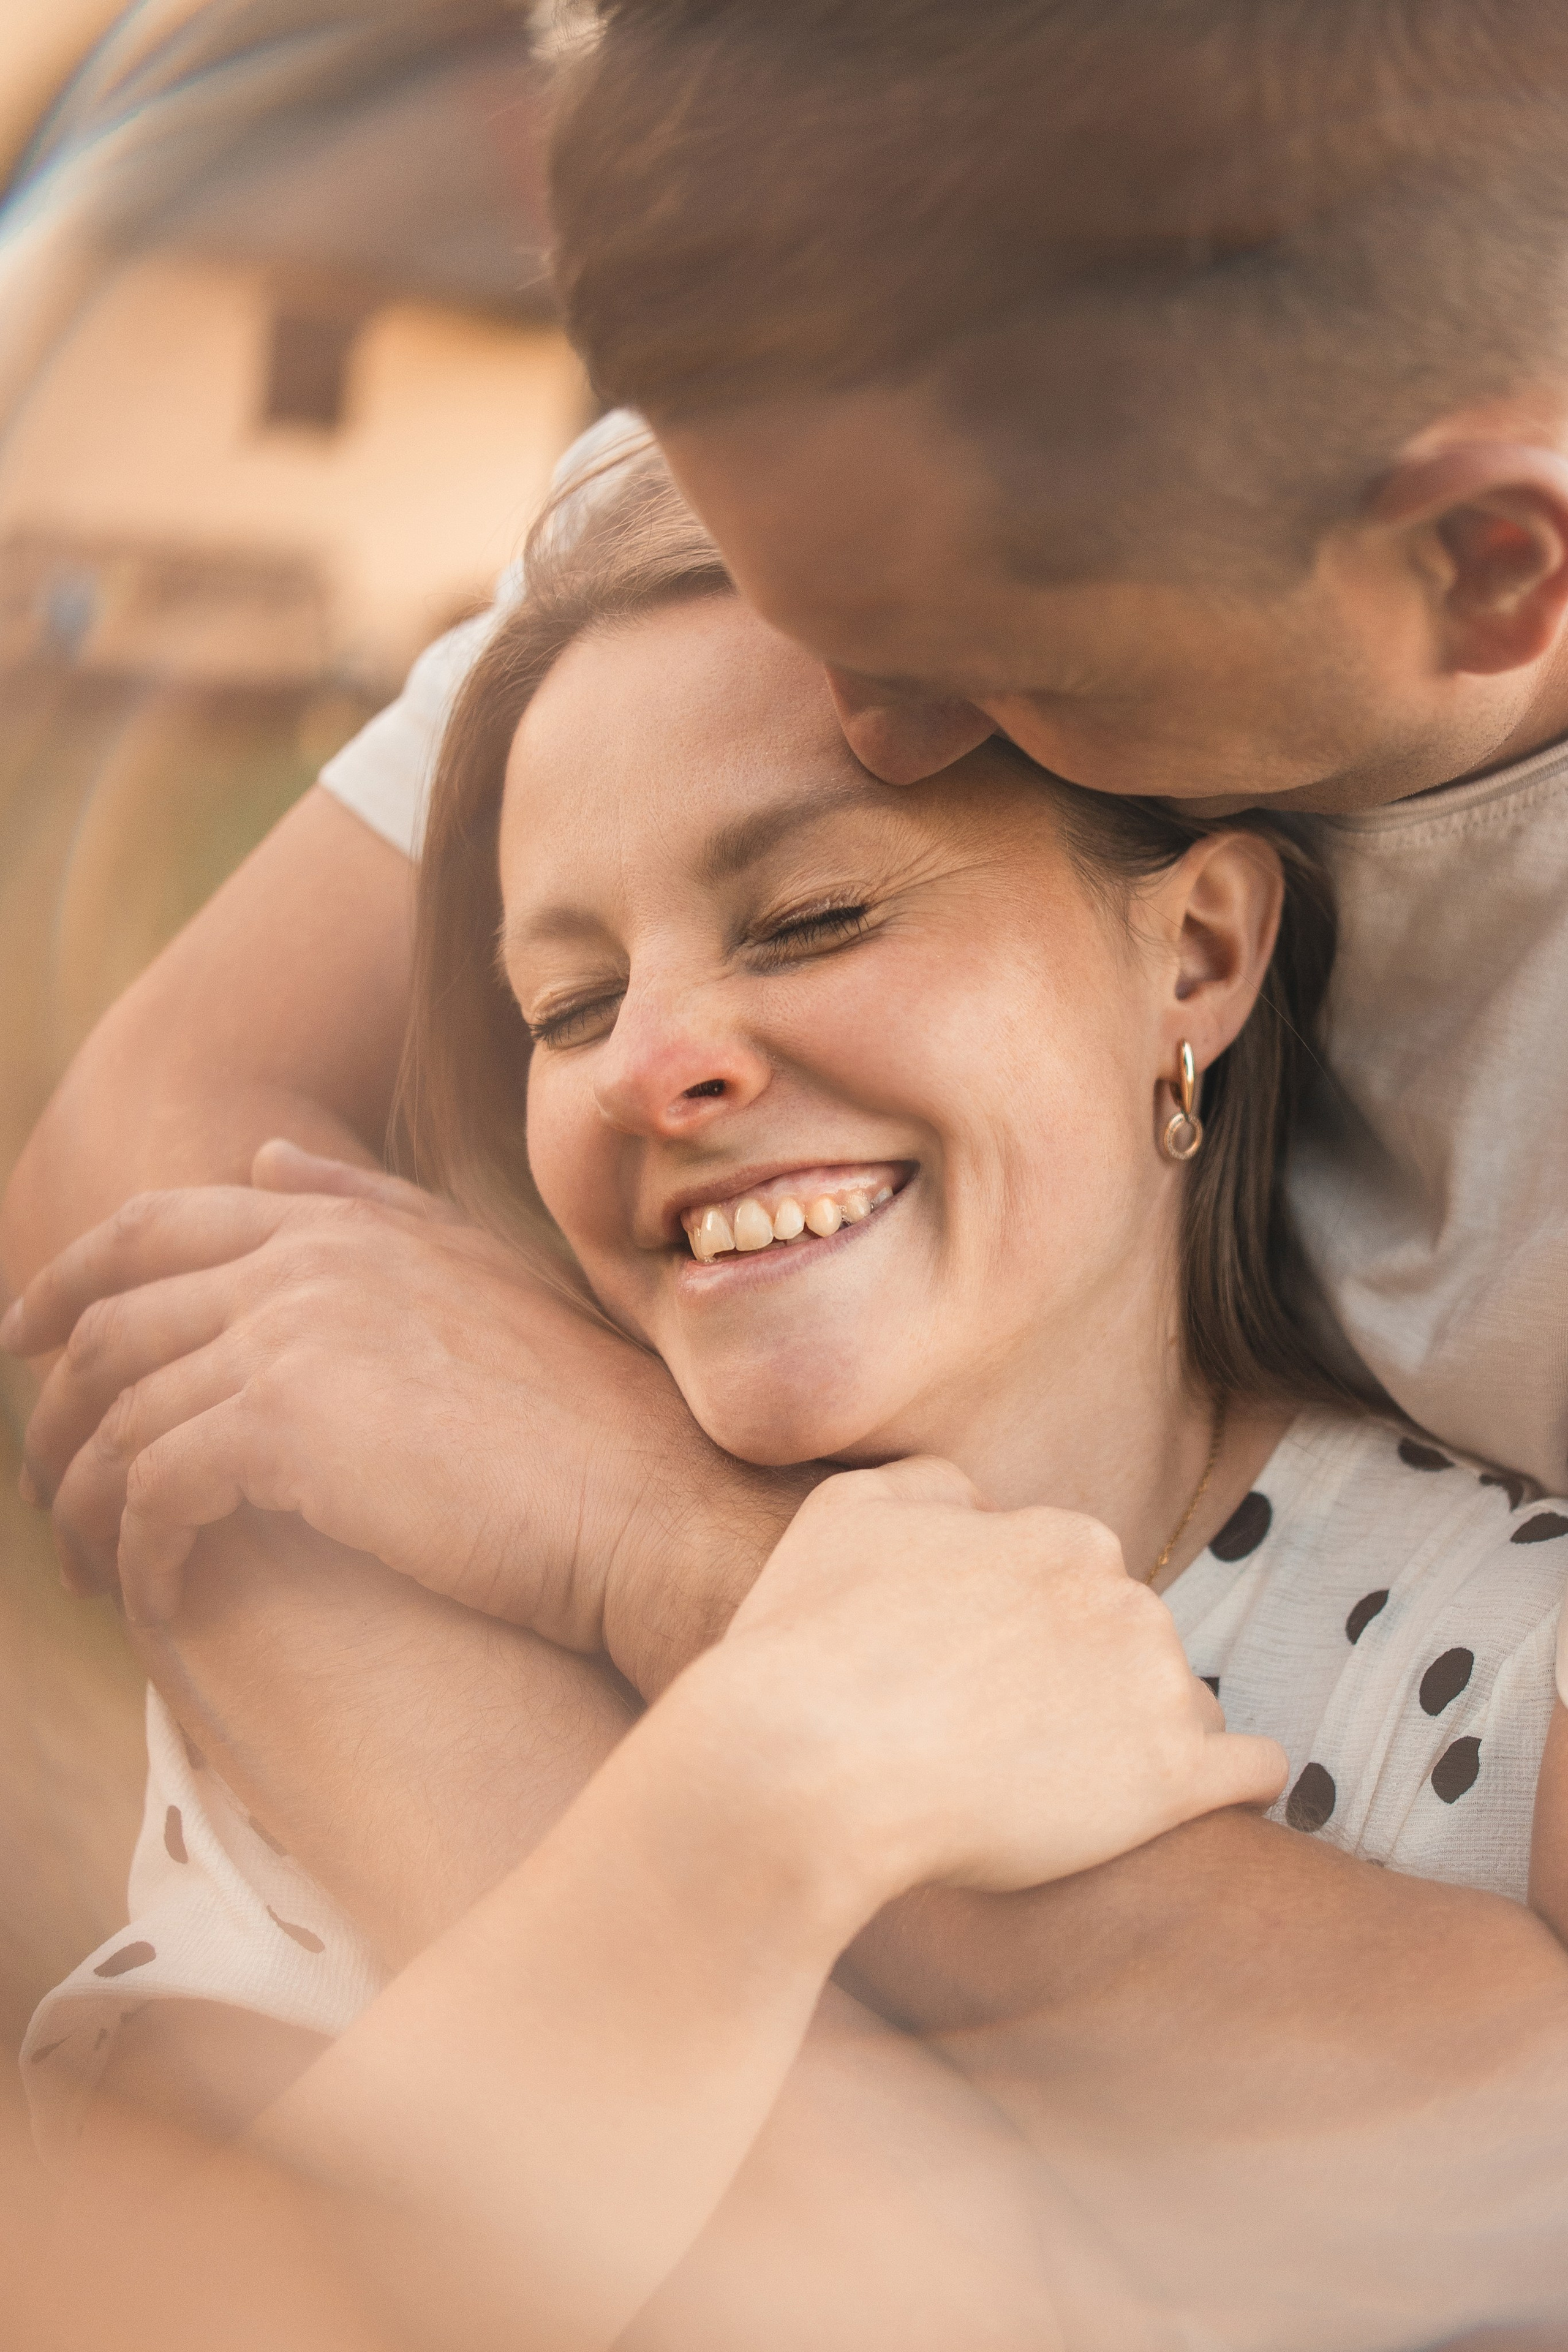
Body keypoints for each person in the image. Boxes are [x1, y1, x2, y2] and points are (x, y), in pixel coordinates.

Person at [9, 0, 1568, 2328]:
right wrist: (749, 1950)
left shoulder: (1461, 1644)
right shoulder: (898, 435)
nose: (867, 705)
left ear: (1484, 565)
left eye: (831, 898)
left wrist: (680, 1572)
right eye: (558, 1003)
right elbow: (161, 1209)